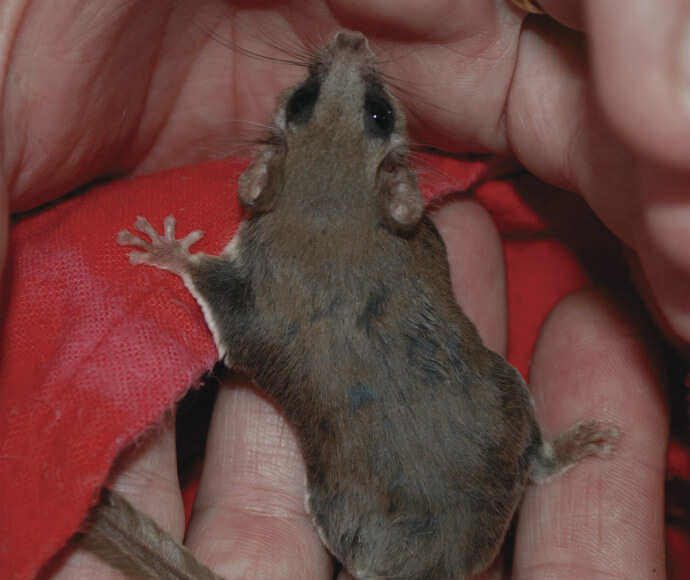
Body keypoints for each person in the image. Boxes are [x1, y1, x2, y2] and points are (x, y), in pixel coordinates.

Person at [2, 1, 675, 578]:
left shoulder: (276, 244)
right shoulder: (408, 228)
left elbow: (247, 327)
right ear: (397, 191)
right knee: (488, 399)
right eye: (376, 115)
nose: (351, 53)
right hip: (472, 478)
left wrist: (185, 262)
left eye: (373, 115)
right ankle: (543, 459)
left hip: (385, 531)